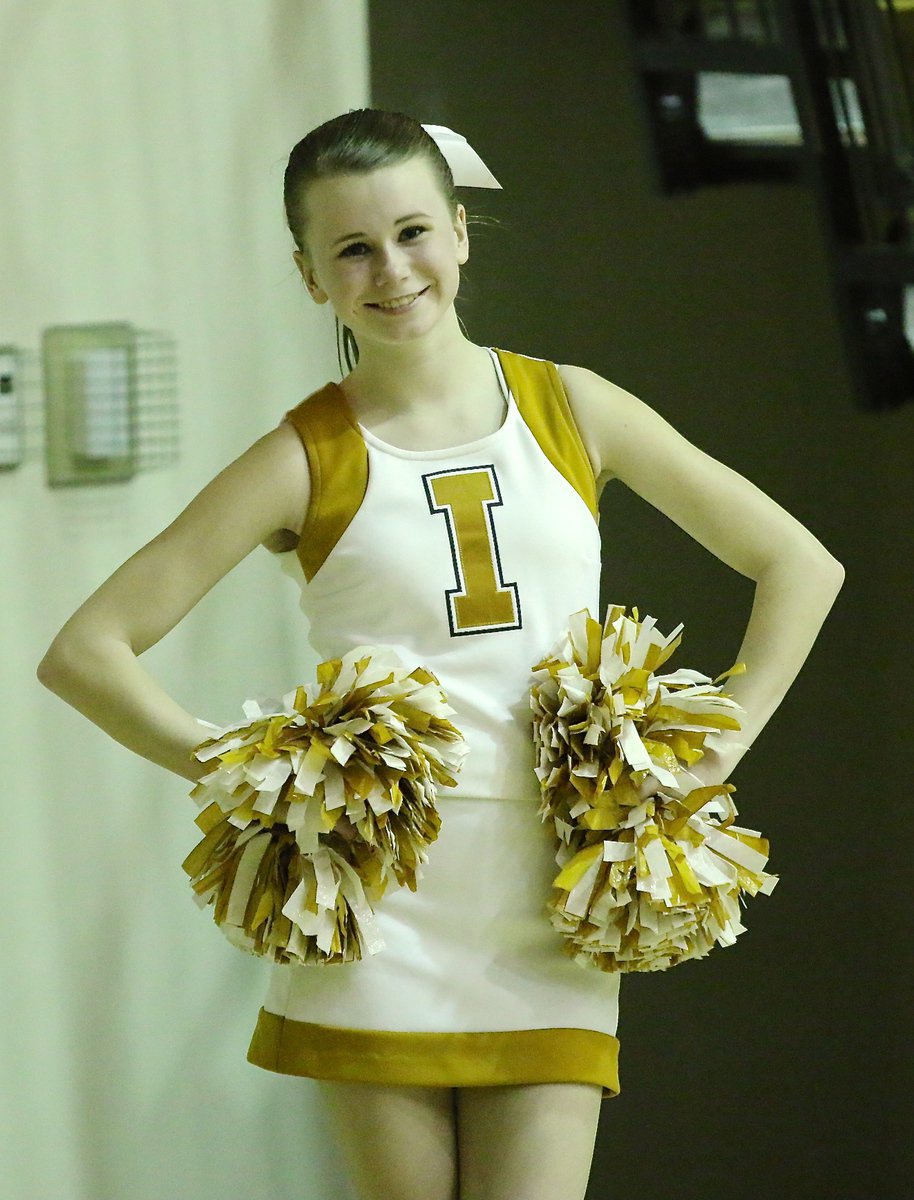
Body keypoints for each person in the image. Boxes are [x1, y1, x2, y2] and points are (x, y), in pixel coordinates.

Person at [37, 108, 845, 1200]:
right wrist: (258, 779)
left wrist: (715, 746)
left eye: (412, 232)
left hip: (554, 905)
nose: (392, 270)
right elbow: (86, 651)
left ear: (460, 231)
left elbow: (799, 564)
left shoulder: (571, 406)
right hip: (382, 916)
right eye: (352, 249)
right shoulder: (302, 454)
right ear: (309, 276)